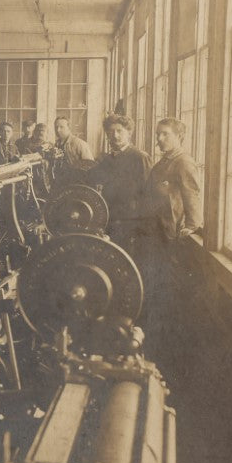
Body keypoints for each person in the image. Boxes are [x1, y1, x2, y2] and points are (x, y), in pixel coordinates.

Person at [134, 118, 206, 367]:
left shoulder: (183, 162)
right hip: (153, 234)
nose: (159, 139)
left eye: (165, 134)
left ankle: (164, 351)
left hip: (169, 237)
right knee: (152, 288)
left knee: (165, 291)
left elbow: (192, 195)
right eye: (158, 134)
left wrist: (192, 226)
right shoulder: (163, 162)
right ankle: (151, 342)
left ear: (179, 136)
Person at [91, 114, 152, 252]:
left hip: (131, 221)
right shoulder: (108, 159)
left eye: (120, 131)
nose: (115, 135)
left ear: (129, 133)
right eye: (111, 132)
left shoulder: (140, 157)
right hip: (111, 218)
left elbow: (148, 194)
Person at [54, 116, 97, 185]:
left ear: (69, 128)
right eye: (56, 127)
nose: (58, 130)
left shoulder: (79, 144)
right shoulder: (56, 145)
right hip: (62, 182)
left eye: (61, 127)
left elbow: (91, 166)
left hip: (78, 183)